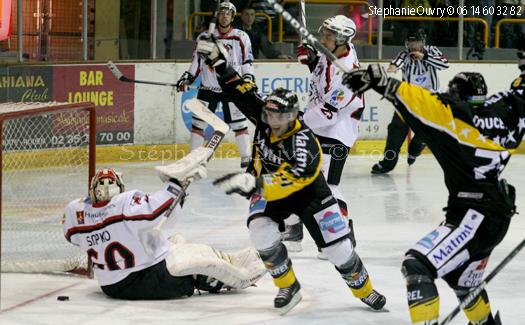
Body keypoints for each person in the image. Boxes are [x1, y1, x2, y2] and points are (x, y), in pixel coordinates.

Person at [195, 37, 387, 314]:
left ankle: (366, 291)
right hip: (272, 193)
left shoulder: (304, 140)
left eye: (279, 117)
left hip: (311, 196)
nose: (272, 121)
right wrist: (219, 62)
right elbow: (240, 89)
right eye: (269, 115)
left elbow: (296, 176)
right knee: (260, 232)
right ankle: (288, 286)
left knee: (339, 251)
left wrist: (255, 183)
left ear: (293, 116)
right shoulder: (265, 118)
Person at [344, 64, 524, 325]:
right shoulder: (505, 112)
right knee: (463, 279)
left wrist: (384, 83)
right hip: (493, 212)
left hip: (476, 214)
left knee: (417, 266)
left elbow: (426, 106)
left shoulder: (455, 121)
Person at [63, 148, 266, 300]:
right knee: (191, 259)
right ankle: (232, 277)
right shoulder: (123, 204)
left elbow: (73, 236)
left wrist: (108, 233)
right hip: (141, 279)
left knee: (174, 242)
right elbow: (159, 212)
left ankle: (229, 259)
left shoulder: (76, 211)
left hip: (110, 283)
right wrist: (176, 184)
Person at [282, 15, 362, 255]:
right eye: (324, 33)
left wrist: (296, 123)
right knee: (294, 172)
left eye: (328, 35)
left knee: (327, 185)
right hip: (321, 127)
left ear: (341, 40)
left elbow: (329, 112)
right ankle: (295, 229)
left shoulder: (349, 74)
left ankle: (343, 236)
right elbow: (322, 77)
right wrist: (313, 59)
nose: (322, 38)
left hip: (337, 131)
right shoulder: (336, 51)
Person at [176, 2, 253, 168]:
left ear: (232, 17)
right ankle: (193, 160)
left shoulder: (241, 36)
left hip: (232, 86)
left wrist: (248, 78)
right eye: (222, 13)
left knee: (239, 125)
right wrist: (187, 78)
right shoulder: (205, 37)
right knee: (198, 124)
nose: (224, 16)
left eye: (228, 13)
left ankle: (247, 159)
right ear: (217, 16)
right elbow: (197, 62)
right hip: (208, 88)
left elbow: (247, 60)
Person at [371, 30, 449, 174]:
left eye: (416, 42)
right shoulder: (404, 54)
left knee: (425, 132)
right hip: (407, 100)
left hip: (429, 100)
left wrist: (424, 57)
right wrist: (392, 68)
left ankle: (415, 150)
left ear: (423, 43)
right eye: (410, 42)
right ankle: (387, 164)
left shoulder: (432, 50)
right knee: (395, 130)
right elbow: (396, 63)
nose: (413, 46)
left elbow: (444, 64)